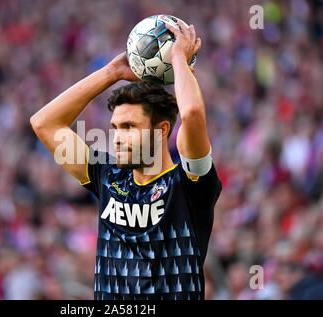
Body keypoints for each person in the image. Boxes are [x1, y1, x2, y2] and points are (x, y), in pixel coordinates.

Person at [30, 20, 222, 300]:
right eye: (115, 128)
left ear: (162, 131)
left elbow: (191, 114)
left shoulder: (190, 185)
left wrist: (179, 56)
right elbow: (44, 123)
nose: (117, 138)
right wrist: (111, 73)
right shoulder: (107, 177)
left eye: (129, 127)